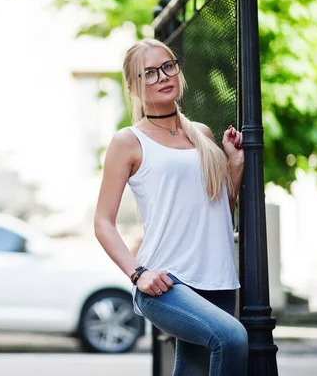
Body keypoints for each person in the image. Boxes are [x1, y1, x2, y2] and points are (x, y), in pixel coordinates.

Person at [94, 38, 248, 376]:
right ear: (133, 86)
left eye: (168, 66)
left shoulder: (201, 135)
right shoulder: (129, 141)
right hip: (165, 283)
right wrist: (137, 274)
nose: (163, 76)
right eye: (149, 72)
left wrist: (234, 166)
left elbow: (221, 211)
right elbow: (103, 222)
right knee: (234, 339)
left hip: (217, 278)